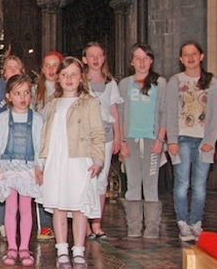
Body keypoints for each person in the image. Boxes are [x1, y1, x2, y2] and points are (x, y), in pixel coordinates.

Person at [39, 57, 104, 269]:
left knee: (78, 207)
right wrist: (41, 161)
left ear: (81, 77)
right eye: (64, 74)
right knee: (58, 205)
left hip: (78, 159)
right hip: (56, 160)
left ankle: (78, 250)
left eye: (73, 74)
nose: (69, 79)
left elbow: (97, 133)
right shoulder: (51, 104)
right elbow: (45, 134)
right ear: (58, 78)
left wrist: (98, 159)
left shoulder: (89, 102)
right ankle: (62, 251)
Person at [166, 41, 217, 242]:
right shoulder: (175, 81)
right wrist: (171, 139)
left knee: (199, 185)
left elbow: (216, 113)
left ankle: (196, 222)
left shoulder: (212, 82)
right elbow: (170, 112)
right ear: (181, 59)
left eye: (194, 54)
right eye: (186, 54)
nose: (190, 58)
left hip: (203, 141)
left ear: (201, 56)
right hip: (181, 138)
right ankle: (183, 223)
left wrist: (211, 139)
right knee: (181, 184)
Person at [0, 74, 43, 267]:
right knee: (11, 208)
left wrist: (39, 167)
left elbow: (39, 145)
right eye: (18, 93)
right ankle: (12, 247)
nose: (23, 97)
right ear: (9, 96)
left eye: (26, 93)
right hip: (8, 167)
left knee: (26, 209)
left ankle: (24, 247)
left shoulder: (36, 118)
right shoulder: (4, 117)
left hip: (28, 169)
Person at [118, 43, 167, 238]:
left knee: (150, 184)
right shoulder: (125, 84)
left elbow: (164, 112)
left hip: (152, 140)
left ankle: (152, 228)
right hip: (130, 139)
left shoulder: (160, 83)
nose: (142, 62)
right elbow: (120, 114)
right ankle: (134, 227)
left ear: (151, 60)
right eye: (137, 58)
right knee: (133, 183)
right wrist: (121, 141)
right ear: (132, 61)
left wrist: (160, 139)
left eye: (145, 58)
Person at [82, 42, 123, 239]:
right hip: (87, 138)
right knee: (86, 179)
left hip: (106, 136)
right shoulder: (81, 82)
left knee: (102, 180)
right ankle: (85, 223)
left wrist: (118, 137)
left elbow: (114, 111)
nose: (95, 59)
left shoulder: (110, 83)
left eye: (99, 55)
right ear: (85, 59)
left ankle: (97, 221)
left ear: (104, 58)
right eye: (91, 55)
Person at [0, 55, 24, 241]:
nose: (13, 71)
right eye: (9, 68)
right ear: (3, 72)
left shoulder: (26, 90)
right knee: (4, 186)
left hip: (22, 146)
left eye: (16, 68)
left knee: (21, 187)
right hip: (3, 145)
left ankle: (19, 223)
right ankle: (3, 224)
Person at [32, 50, 63, 241]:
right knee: (43, 184)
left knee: (61, 184)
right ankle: (45, 225)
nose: (51, 70)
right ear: (43, 69)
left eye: (55, 65)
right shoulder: (36, 91)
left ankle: (61, 224)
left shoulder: (67, 89)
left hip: (61, 144)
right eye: (47, 66)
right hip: (42, 144)